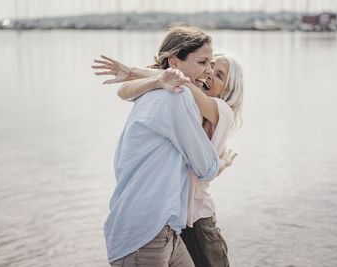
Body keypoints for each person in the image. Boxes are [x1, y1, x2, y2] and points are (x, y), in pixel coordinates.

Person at [93, 47, 244, 267]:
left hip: (199, 221)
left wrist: (135, 71)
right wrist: (145, 78)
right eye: (210, 66)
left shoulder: (221, 110)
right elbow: (125, 92)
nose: (210, 73)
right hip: (173, 220)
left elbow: (205, 171)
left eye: (219, 75)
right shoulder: (183, 102)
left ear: (227, 91)